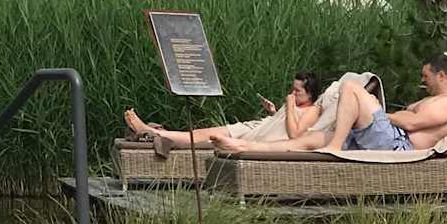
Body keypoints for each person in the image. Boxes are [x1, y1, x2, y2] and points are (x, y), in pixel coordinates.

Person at [125, 74, 330, 156]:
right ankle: (153, 131)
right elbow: (283, 124)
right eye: (292, 89)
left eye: (297, 91)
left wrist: (289, 105)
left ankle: (153, 132)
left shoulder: (312, 110)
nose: (292, 93)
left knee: (206, 138)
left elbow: (295, 134)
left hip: (258, 138)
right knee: (202, 133)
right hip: (255, 127)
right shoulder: (296, 104)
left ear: (310, 94)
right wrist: (274, 112)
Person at [311, 55, 447, 153]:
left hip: (397, 144)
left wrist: (382, 114)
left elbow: (412, 123)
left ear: (441, 76)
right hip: (388, 136)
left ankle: (335, 146)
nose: (422, 80)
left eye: (426, 76)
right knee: (311, 138)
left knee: (350, 87)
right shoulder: (434, 100)